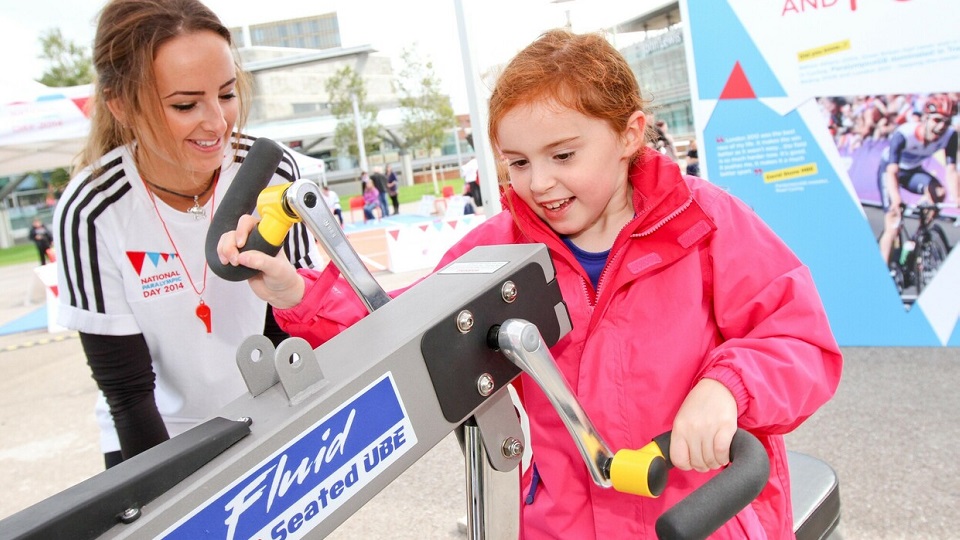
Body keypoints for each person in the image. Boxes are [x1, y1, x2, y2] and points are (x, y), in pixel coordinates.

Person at [218, 29, 842, 538]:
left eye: (563, 156)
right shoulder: (499, 251)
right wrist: (296, 295)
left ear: (628, 134)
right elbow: (405, 333)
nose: (539, 182)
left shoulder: (704, 224)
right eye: (518, 163)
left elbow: (798, 339)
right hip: (564, 523)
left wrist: (727, 388)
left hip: (703, 515)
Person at [53, 0, 319, 469]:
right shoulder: (92, 209)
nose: (217, 122)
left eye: (227, 93)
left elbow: (296, 334)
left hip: (264, 418)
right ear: (121, 105)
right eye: (185, 104)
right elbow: (129, 393)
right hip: (151, 437)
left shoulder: (271, 171)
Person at [877, 94, 958, 264]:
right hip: (890, 171)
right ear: (925, 118)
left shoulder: (950, 135)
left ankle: (919, 237)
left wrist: (957, 197)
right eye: (937, 120)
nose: (941, 127)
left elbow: (951, 170)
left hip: (913, 170)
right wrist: (896, 200)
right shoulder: (905, 133)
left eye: (947, 122)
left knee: (939, 192)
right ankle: (882, 270)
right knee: (892, 221)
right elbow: (892, 172)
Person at [461, 133, 483, 208]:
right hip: (476, 179)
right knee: (478, 193)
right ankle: (480, 204)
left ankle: (479, 205)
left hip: (473, 180)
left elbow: (463, 173)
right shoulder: (475, 161)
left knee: (476, 194)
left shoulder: (472, 162)